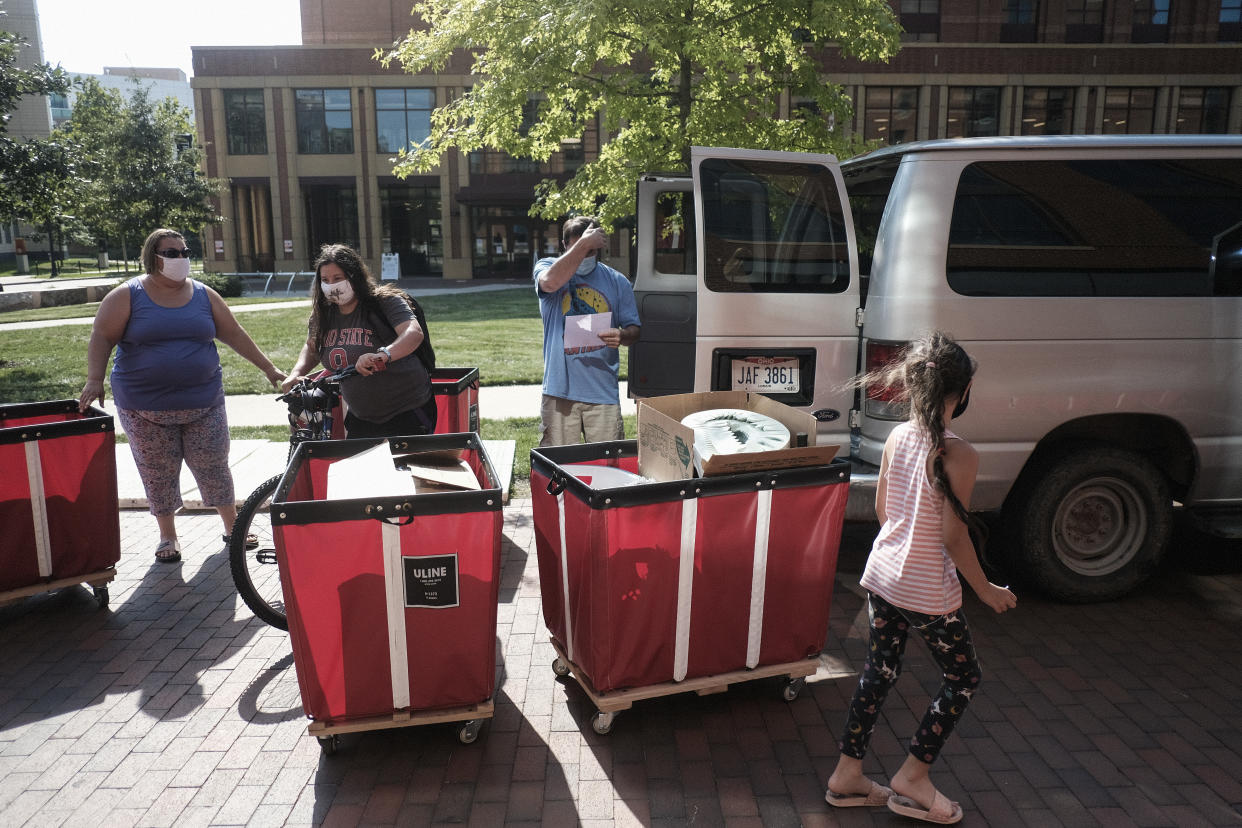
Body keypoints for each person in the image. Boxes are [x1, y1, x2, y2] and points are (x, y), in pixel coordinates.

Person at [824, 331, 1017, 825]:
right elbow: (954, 538)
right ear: (965, 390)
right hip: (926, 590)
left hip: (883, 575)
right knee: (963, 677)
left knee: (879, 672)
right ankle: (913, 776)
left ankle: (847, 776)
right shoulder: (960, 454)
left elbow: (888, 510)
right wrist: (987, 591)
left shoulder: (896, 437)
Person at [78, 229, 286, 563]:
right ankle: (167, 537)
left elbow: (233, 333)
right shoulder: (127, 296)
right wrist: (94, 379)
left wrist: (269, 369)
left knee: (215, 464)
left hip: (204, 402)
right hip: (144, 407)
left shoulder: (204, 295)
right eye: (171, 252)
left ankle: (233, 528)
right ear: (153, 257)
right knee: (157, 471)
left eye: (184, 251)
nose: (181, 258)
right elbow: (101, 337)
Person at [282, 244, 437, 439]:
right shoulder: (323, 314)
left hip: (408, 410)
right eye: (325, 280)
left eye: (338, 278)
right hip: (360, 416)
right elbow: (312, 347)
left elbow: (413, 333)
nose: (332, 285)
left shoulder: (386, 302)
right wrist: (296, 374)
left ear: (355, 276)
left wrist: (382, 355)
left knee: (406, 469)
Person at [533, 216, 640, 446]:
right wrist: (583, 245)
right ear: (564, 246)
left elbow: (634, 329)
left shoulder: (617, 281)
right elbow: (549, 283)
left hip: (602, 393)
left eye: (591, 251)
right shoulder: (546, 267)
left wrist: (622, 336)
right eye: (579, 248)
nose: (584, 256)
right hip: (559, 393)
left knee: (608, 469)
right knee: (559, 468)